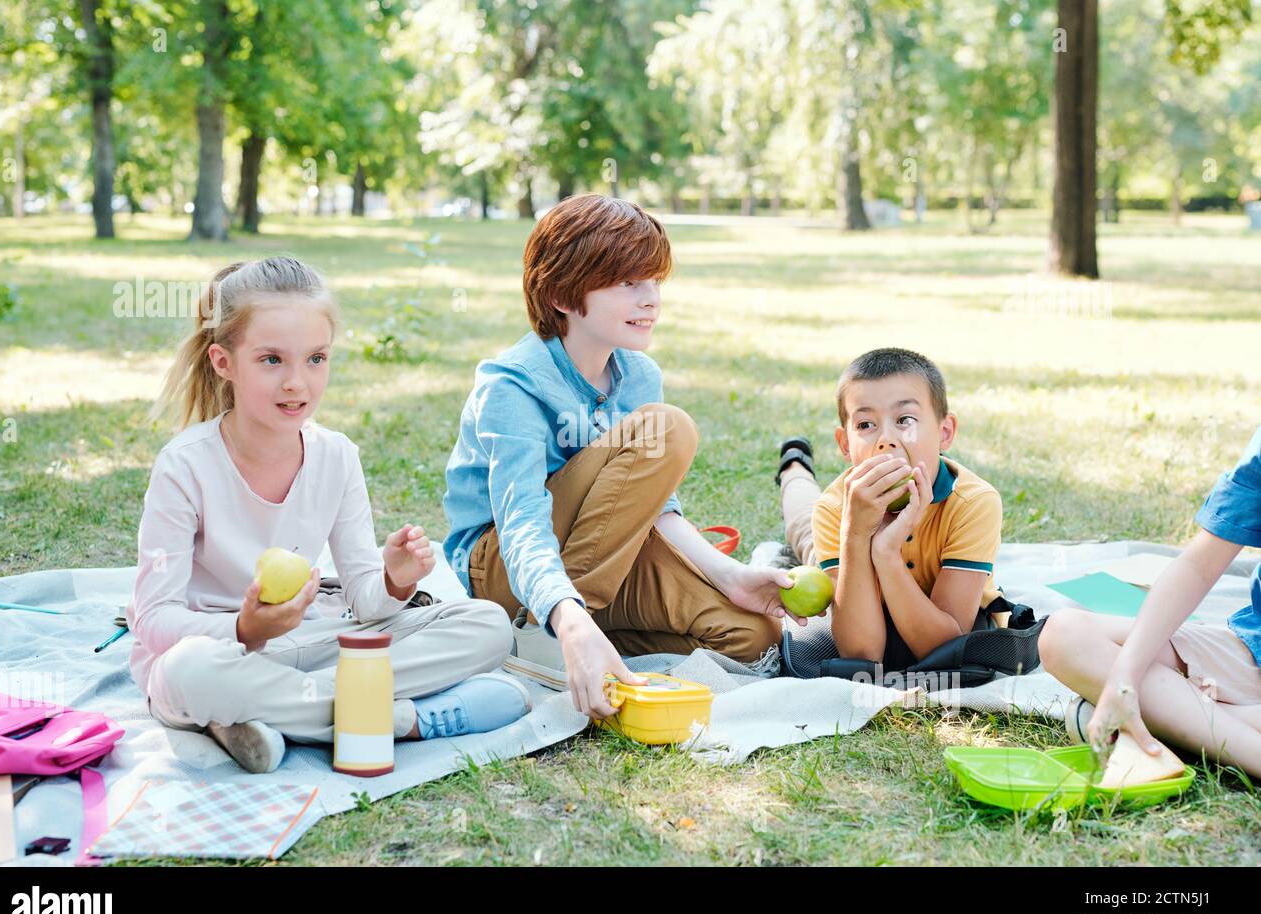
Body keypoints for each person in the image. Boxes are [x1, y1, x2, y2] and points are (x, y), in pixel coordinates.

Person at [128, 256, 526, 773]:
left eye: (316, 359)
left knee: (488, 623)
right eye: (272, 360)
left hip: (311, 644)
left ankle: (260, 717)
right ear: (223, 362)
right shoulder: (184, 466)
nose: (298, 382)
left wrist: (394, 581)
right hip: (214, 651)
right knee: (187, 674)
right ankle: (404, 721)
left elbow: (365, 601)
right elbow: (154, 619)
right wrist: (246, 631)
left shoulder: (337, 456)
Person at [443, 194, 808, 719]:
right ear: (564, 295)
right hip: (505, 568)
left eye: (655, 281)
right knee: (669, 429)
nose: (651, 299)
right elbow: (521, 521)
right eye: (628, 283)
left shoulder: (639, 375)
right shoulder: (512, 386)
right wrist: (567, 617)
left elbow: (657, 506)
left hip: (602, 558)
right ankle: (554, 630)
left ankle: (588, 640)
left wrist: (728, 575)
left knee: (754, 636)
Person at [1040, 427, 1261, 778]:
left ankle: (1180, 721)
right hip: (1251, 654)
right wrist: (1123, 679)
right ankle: (1209, 726)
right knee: (1064, 634)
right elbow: (1198, 567)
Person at [775, 347, 1007, 677]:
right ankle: (794, 468)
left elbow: (944, 649)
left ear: (945, 432)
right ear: (844, 444)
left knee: (805, 527)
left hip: (910, 601)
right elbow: (861, 654)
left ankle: (797, 469)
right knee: (803, 523)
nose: (886, 440)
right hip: (843, 552)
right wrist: (855, 533)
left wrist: (886, 554)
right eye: (866, 424)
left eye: (905, 420)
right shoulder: (834, 509)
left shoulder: (973, 504)